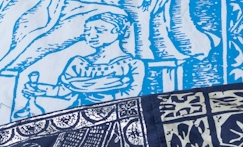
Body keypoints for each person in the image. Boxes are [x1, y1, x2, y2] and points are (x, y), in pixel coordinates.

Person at [19, 13, 147, 113]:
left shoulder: (133, 65)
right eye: (87, 31)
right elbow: (65, 91)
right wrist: (41, 89)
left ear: (117, 31)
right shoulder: (79, 62)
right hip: (80, 116)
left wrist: (80, 86)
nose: (91, 35)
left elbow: (130, 95)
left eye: (99, 30)